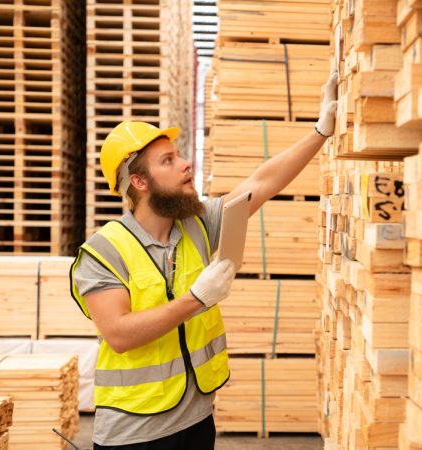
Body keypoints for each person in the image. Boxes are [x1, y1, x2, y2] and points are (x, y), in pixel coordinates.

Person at [69, 72, 337, 449]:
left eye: (178, 155)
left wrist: (320, 131)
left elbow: (261, 183)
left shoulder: (195, 224)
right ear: (140, 182)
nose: (185, 164)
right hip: (133, 436)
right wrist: (196, 299)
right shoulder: (103, 251)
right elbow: (119, 334)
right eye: (168, 160)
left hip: (196, 421)